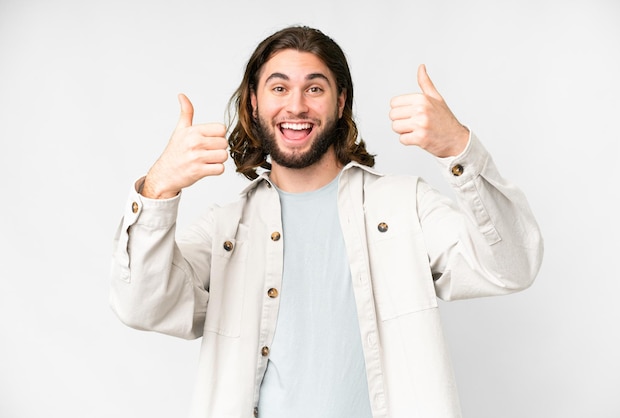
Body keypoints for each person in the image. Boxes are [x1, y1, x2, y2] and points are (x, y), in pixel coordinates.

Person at [110, 26, 543, 418]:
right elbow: (142, 306)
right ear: (255, 102)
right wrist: (158, 190)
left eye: (314, 88)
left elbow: (511, 268)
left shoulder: (403, 205)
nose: (296, 105)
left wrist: (460, 149)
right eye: (279, 87)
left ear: (340, 102)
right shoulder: (226, 229)